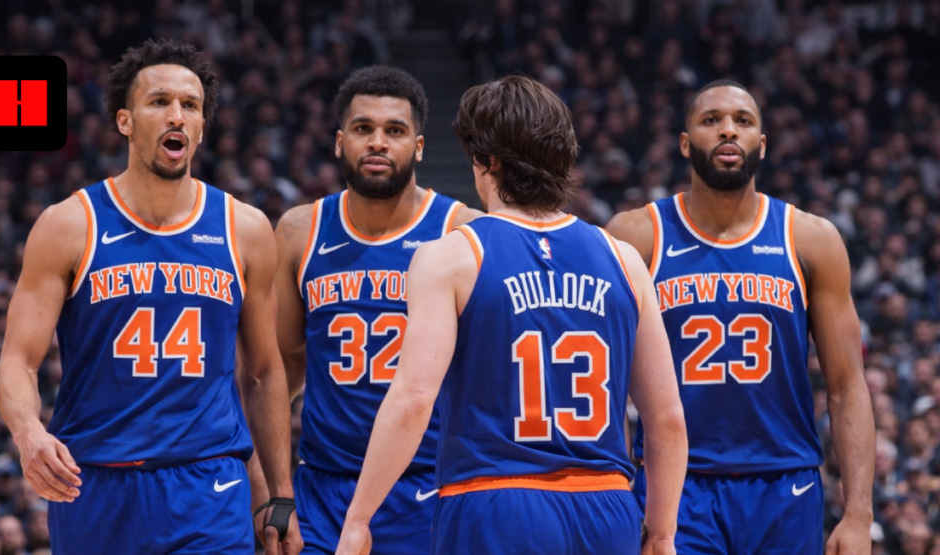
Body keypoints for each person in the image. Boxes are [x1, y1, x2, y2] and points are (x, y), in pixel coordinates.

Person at [335, 74, 688, 555]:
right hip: (606, 505)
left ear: (488, 160)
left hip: (494, 500)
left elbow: (414, 399)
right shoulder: (623, 259)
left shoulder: (452, 255)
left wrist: (358, 519)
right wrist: (662, 532)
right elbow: (666, 417)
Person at [0, 39, 302, 555]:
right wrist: (28, 432)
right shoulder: (69, 225)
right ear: (125, 121)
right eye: (159, 102)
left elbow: (264, 372)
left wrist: (279, 494)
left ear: (201, 127)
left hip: (208, 483)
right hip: (95, 482)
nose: (176, 115)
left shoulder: (244, 229)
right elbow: (17, 360)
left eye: (190, 105)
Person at [606, 79, 875, 555]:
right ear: (685, 143)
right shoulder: (637, 235)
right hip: (676, 486)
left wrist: (858, 513)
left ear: (762, 144)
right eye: (711, 120)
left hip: (785, 485)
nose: (728, 130)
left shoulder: (811, 239)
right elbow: (605, 378)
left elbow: (846, 384)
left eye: (742, 121)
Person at [266, 65, 479, 554]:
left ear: (418, 147)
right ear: (340, 142)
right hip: (323, 489)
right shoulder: (299, 231)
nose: (378, 143)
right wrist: (275, 487)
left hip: (428, 485)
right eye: (363, 128)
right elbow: (279, 371)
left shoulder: (461, 230)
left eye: (395, 131)